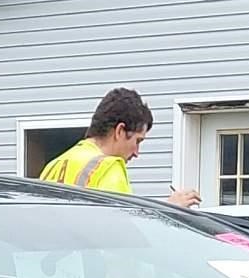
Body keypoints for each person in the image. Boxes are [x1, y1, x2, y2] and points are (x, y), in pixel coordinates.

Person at [40, 89, 200, 208]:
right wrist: (169, 210)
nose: (137, 153)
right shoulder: (108, 167)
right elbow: (124, 232)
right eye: (138, 141)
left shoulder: (54, 165)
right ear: (120, 131)